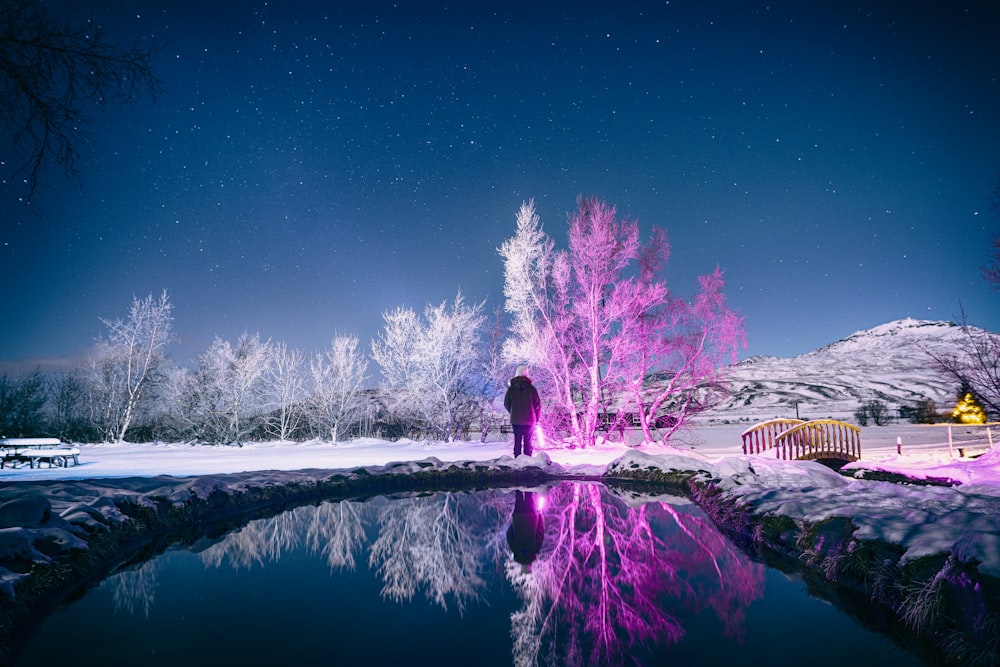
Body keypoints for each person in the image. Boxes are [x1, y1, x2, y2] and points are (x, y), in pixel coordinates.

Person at [503, 364, 541, 457]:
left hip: (516, 420)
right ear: (526, 374)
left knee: (517, 440)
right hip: (530, 420)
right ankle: (527, 461)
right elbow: (538, 406)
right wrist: (537, 419)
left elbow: (506, 404)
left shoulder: (511, 389)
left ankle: (517, 461)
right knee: (528, 441)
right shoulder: (532, 389)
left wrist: (513, 412)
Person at [506, 490, 545, 573]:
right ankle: (517, 479)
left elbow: (540, 532)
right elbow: (509, 535)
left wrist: (540, 516)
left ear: (530, 565)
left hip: (531, 517)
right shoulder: (515, 549)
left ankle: (528, 478)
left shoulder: (534, 549)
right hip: (518, 517)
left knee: (529, 495)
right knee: (518, 495)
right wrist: (514, 524)